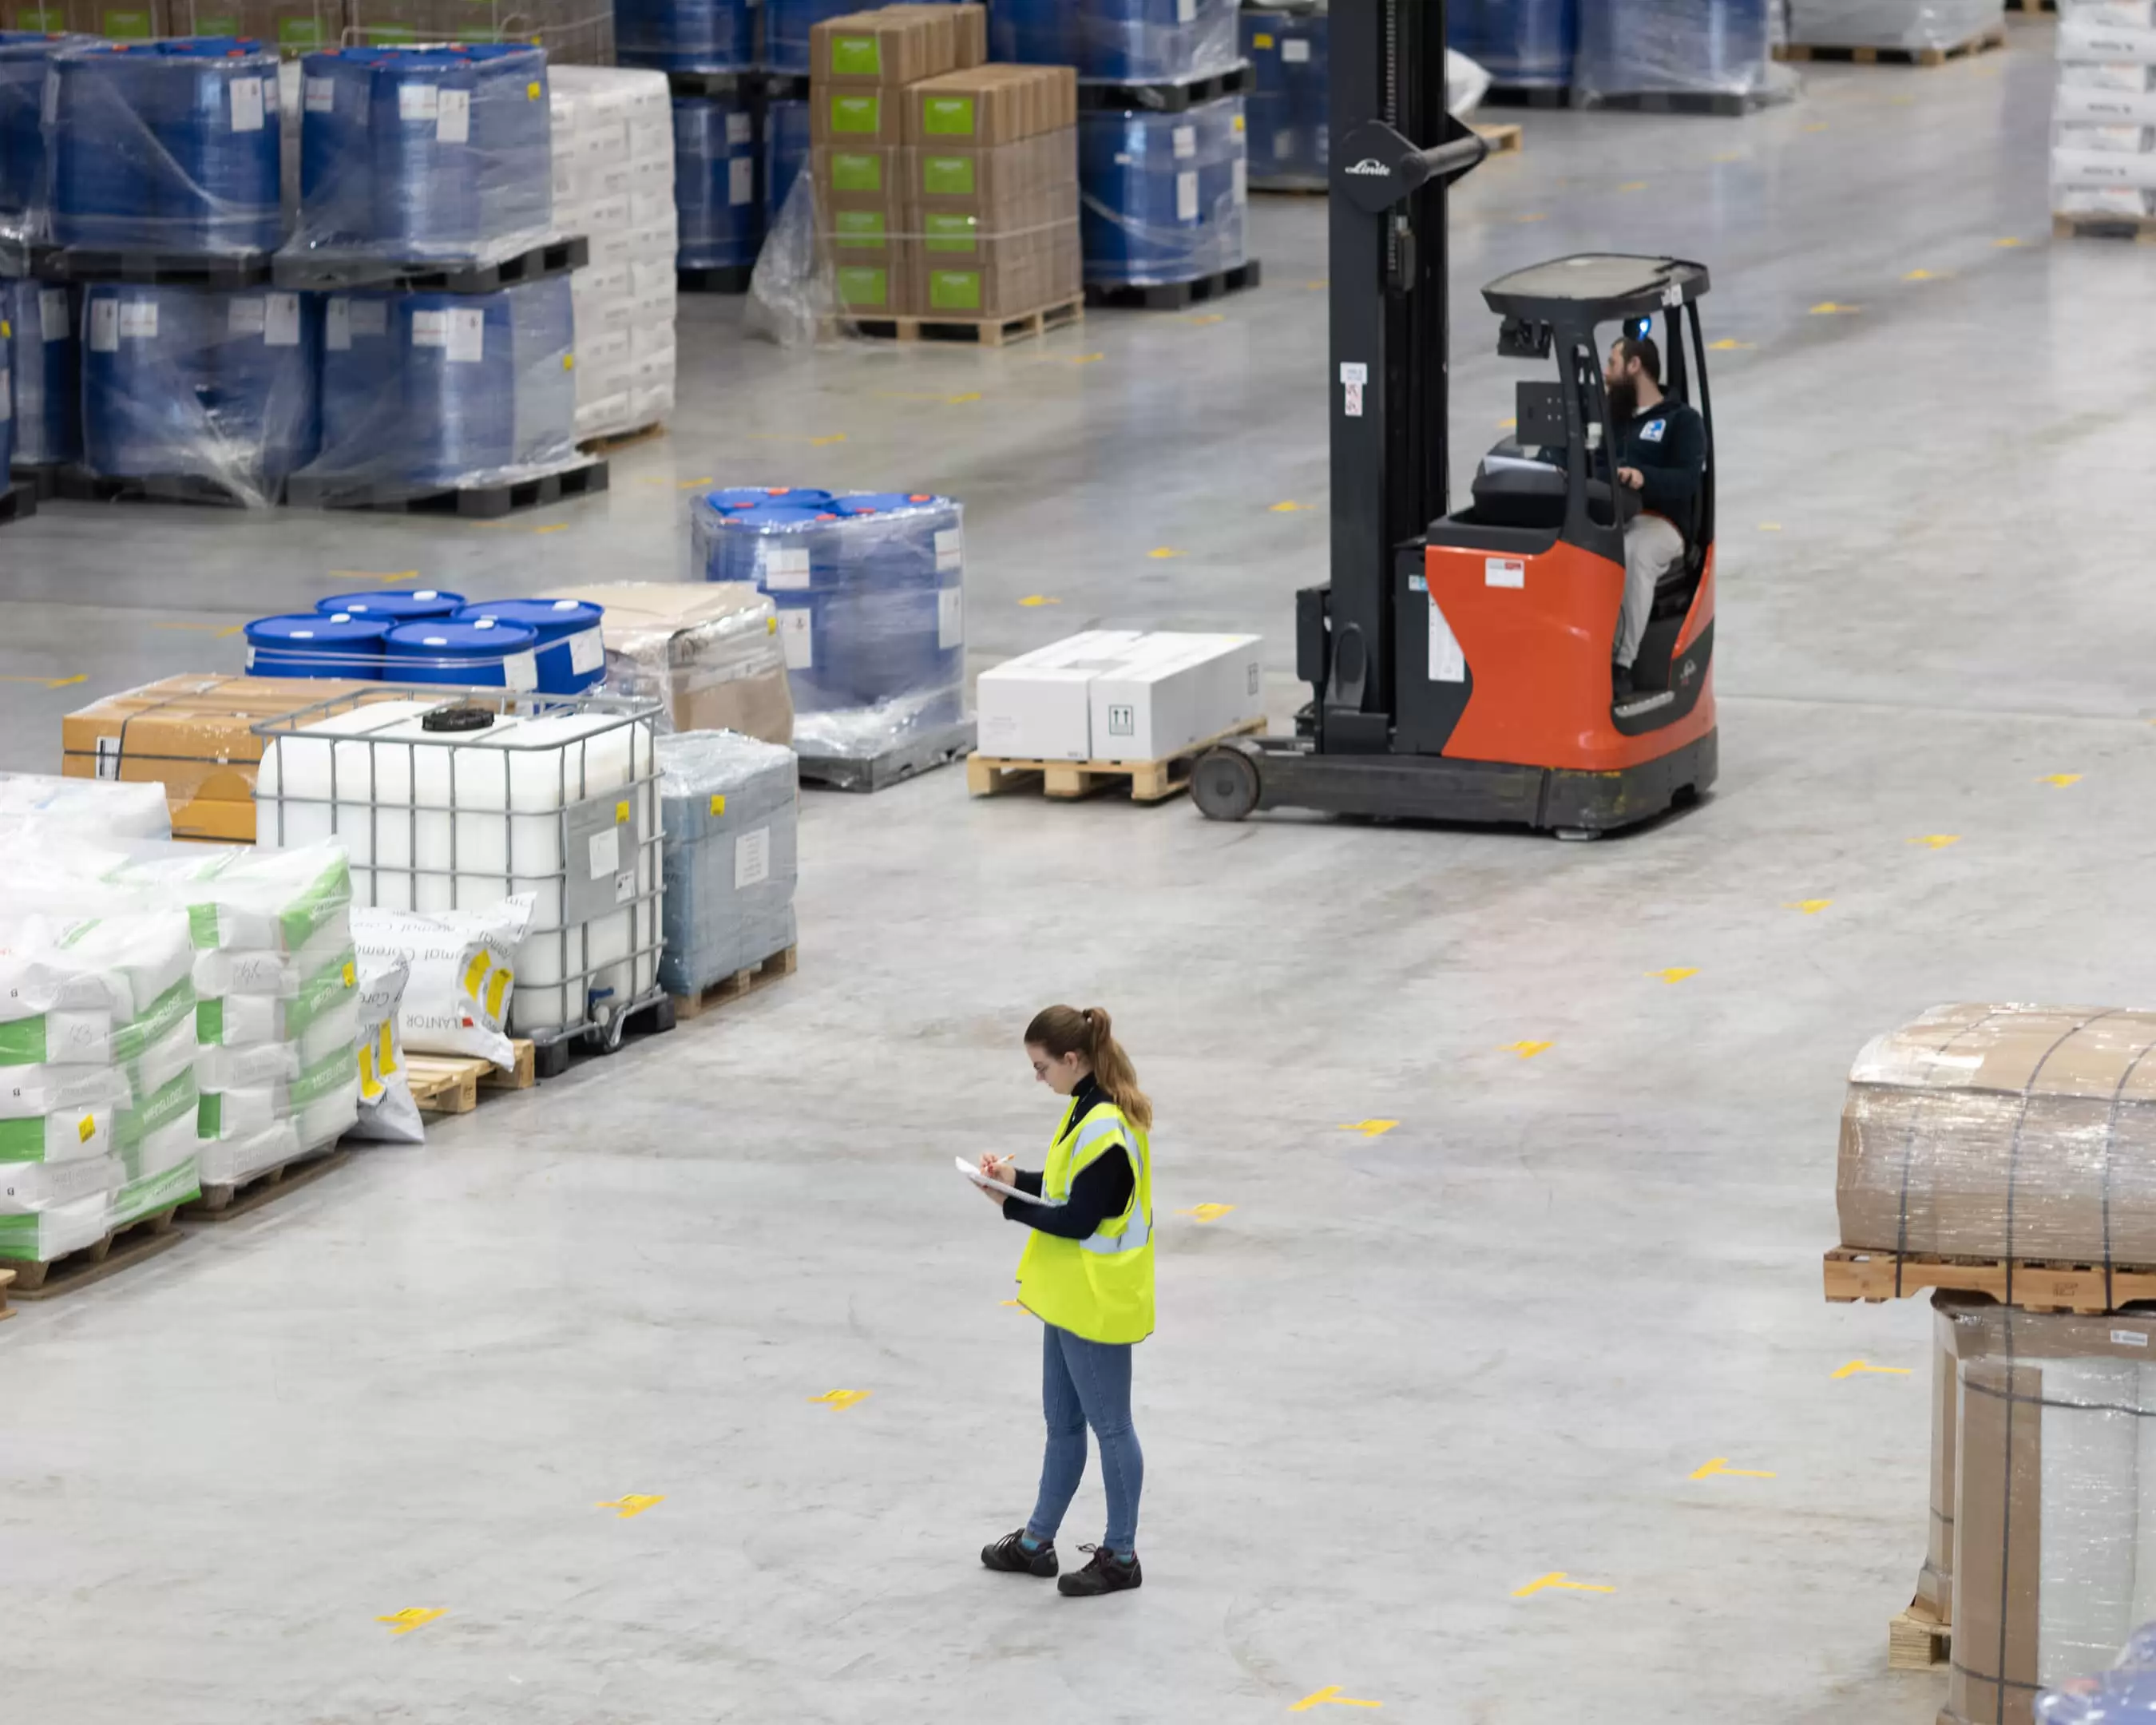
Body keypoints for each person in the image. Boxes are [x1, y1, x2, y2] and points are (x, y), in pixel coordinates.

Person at [975, 1005, 1155, 1599]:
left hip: (1096, 1302)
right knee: (1063, 1425)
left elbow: (1080, 1217)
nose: (1038, 1078)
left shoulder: (1105, 1128)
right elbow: (1062, 1187)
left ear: (1072, 1060)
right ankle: (1036, 1542)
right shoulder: (1084, 1108)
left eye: (1041, 1067)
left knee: (1110, 1427)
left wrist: (1006, 1205)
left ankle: (1121, 1555)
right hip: (1068, 1296)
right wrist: (1011, 1177)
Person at [1603, 333, 1706, 700]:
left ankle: (1621, 662)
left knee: (1634, 552)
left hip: (1662, 523)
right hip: (1615, 517)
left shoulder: (1682, 421)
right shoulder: (1613, 422)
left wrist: (1644, 477)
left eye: (1612, 364)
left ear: (1635, 366)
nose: (1606, 373)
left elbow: (1686, 480)